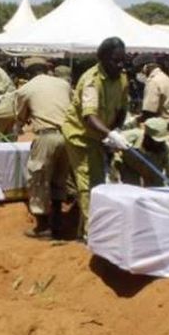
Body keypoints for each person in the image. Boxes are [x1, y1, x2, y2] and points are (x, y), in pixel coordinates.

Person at [62, 36, 129, 240]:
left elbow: (122, 110)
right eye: (115, 60)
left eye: (122, 60)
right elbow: (89, 116)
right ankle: (91, 235)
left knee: (100, 182)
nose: (120, 64)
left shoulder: (122, 78)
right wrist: (109, 134)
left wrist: (114, 132)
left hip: (101, 135)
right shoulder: (91, 81)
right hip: (80, 137)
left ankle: (87, 226)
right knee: (89, 183)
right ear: (103, 59)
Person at [14, 57, 73, 239]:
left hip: (46, 136)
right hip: (68, 136)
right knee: (59, 179)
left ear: (29, 72)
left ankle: (42, 226)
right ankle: (58, 224)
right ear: (47, 69)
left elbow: (20, 117)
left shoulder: (25, 89)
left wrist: (21, 124)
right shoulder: (63, 85)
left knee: (39, 179)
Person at [134, 54, 169, 158]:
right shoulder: (165, 78)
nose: (139, 73)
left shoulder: (153, 82)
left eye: (139, 69)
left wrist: (134, 120)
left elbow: (149, 112)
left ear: (146, 67)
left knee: (155, 169)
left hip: (166, 133)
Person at [111, 117, 169, 187]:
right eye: (157, 141)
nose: (160, 144)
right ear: (146, 137)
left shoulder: (167, 148)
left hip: (152, 172)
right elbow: (109, 142)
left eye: (162, 141)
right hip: (129, 167)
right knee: (131, 190)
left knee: (157, 193)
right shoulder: (131, 136)